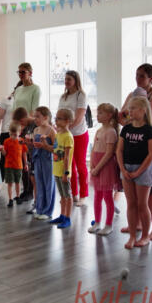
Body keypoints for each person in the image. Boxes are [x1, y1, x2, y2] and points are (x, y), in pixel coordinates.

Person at [119, 64, 152, 240]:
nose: (137, 79)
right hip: (132, 143)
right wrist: (129, 119)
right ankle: (137, 223)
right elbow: (121, 116)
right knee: (133, 191)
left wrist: (129, 118)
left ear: (150, 79)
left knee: (150, 190)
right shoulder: (132, 94)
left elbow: (151, 119)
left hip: (149, 142)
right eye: (136, 75)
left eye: (142, 76)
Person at [117, 96, 152, 249]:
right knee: (131, 203)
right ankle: (132, 235)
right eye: (129, 108)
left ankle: (145, 236)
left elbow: (151, 154)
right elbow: (119, 150)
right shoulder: (126, 129)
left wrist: (139, 171)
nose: (130, 111)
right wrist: (123, 169)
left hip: (143, 169)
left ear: (143, 110)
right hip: (127, 167)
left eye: (133, 108)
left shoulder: (149, 130)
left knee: (142, 204)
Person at [58, 70, 89, 207]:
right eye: (65, 79)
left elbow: (79, 117)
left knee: (80, 165)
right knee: (70, 166)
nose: (66, 82)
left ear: (76, 80)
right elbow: (59, 114)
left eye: (69, 79)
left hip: (79, 134)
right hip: (66, 134)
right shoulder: (63, 96)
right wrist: (59, 127)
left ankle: (83, 195)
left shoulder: (81, 95)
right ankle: (74, 193)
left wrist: (67, 128)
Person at [89, 103, 120, 236]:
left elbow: (109, 153)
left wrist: (98, 168)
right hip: (96, 165)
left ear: (109, 115)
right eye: (98, 113)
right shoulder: (99, 130)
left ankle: (108, 224)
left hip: (105, 166)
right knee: (97, 196)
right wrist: (92, 165)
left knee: (107, 197)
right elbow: (93, 149)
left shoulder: (111, 132)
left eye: (100, 113)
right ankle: (97, 222)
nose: (97, 115)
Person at [49, 108, 75, 229]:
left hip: (64, 172)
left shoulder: (68, 136)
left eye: (59, 118)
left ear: (67, 121)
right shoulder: (58, 134)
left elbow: (67, 157)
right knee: (62, 196)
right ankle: (62, 215)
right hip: (57, 170)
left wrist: (66, 172)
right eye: (56, 118)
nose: (56, 120)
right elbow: (55, 150)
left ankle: (67, 218)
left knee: (67, 196)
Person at [0, 81, 23, 180]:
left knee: (19, 158)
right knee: (4, 158)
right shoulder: (7, 99)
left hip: (20, 133)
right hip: (7, 132)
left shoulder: (25, 100)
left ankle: (18, 181)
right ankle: (0, 181)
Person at [32, 106, 56, 220]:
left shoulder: (51, 130)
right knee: (39, 184)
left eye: (38, 116)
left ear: (46, 117)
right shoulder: (36, 130)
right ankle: (40, 208)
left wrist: (44, 146)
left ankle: (47, 211)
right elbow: (34, 145)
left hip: (48, 159)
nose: (35, 119)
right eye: (34, 116)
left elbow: (56, 148)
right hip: (38, 159)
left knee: (48, 184)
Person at [12, 107, 37, 207]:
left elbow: (33, 140)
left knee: (31, 174)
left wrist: (26, 141)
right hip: (26, 153)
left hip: (34, 154)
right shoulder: (25, 126)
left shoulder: (35, 124)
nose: (20, 125)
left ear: (23, 119)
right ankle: (25, 191)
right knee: (25, 173)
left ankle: (30, 193)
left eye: (20, 123)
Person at [0, 121, 27, 207]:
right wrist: (2, 150)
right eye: (11, 134)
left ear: (19, 133)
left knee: (18, 182)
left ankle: (18, 197)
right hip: (9, 166)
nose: (12, 136)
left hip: (18, 166)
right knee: (10, 183)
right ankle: (10, 199)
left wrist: (26, 163)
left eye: (15, 135)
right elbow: (5, 154)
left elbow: (24, 153)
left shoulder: (21, 141)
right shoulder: (6, 141)